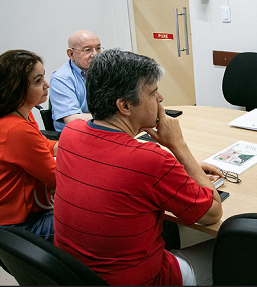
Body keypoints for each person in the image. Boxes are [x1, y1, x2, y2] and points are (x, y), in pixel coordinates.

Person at [54, 49, 223, 286]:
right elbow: (212, 213)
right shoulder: (149, 160)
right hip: (145, 280)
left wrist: (186, 167)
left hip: (75, 274)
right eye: (153, 92)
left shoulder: (70, 135)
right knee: (238, 250)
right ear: (124, 105)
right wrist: (179, 146)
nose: (161, 99)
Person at [0, 50, 57, 243]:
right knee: (97, 223)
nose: (47, 85)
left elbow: (41, 145)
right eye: (38, 81)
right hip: (18, 228)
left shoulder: (22, 114)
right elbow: (58, 178)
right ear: (16, 88)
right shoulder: (16, 129)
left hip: (15, 221)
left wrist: (77, 145)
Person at [49, 30, 102, 132]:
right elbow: (72, 119)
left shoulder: (104, 70)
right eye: (87, 50)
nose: (95, 54)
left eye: (98, 48)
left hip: (100, 130)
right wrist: (111, 118)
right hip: (74, 135)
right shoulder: (61, 78)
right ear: (71, 54)